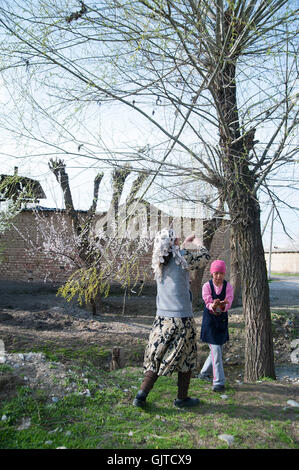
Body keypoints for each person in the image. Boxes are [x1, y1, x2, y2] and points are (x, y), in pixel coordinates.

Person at [133, 228, 210, 408]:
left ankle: (141, 395)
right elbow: (204, 256)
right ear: (173, 242)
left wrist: (182, 246)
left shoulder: (159, 262)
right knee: (187, 357)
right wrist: (196, 242)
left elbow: (176, 266)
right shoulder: (182, 257)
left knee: (156, 357)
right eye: (176, 239)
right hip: (181, 319)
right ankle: (182, 398)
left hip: (161, 319)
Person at [199, 260, 234, 392]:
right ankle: (218, 382)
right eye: (216, 273)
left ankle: (203, 373)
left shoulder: (228, 286)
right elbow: (207, 302)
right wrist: (213, 306)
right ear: (212, 273)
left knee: (216, 351)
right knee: (216, 352)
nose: (218, 276)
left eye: (221, 273)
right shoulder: (206, 286)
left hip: (222, 323)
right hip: (210, 324)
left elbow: (229, 302)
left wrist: (224, 305)